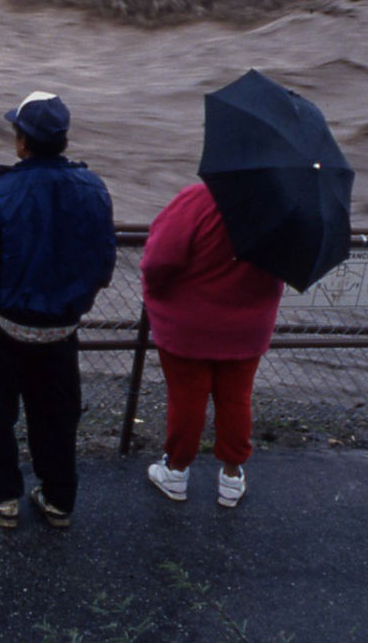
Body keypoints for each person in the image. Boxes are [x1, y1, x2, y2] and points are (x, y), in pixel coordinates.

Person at [0, 92, 116, 530]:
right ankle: (58, 500)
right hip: (61, 327)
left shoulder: (1, 191)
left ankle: (6, 498)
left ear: (22, 142)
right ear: (63, 140)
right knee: (56, 416)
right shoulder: (93, 189)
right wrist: (74, 304)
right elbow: (103, 263)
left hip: (3, 324)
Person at [140, 182, 285, 509]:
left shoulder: (200, 199)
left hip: (189, 325)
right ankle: (232, 478)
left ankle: (176, 472)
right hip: (249, 326)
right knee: (237, 398)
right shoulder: (281, 208)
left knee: (186, 399)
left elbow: (158, 260)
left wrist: (156, 291)